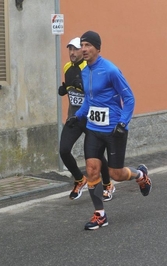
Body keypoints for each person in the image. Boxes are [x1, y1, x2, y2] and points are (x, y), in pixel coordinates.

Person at [68, 31, 152, 230]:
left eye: (88, 45)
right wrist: (78, 115)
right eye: (82, 45)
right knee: (91, 170)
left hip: (113, 129)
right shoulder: (85, 71)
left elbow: (129, 98)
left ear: (98, 48)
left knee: (116, 174)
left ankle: (140, 175)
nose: (84, 49)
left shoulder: (111, 70)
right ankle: (100, 214)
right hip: (93, 128)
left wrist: (123, 123)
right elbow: (90, 99)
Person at [59, 37, 115, 201]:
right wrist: (65, 89)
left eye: (75, 49)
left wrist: (82, 87)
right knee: (63, 150)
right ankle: (79, 179)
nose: (72, 53)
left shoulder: (89, 68)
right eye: (70, 49)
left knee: (97, 155)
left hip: (91, 119)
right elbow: (71, 90)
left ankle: (107, 185)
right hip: (74, 118)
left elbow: (95, 93)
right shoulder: (67, 67)